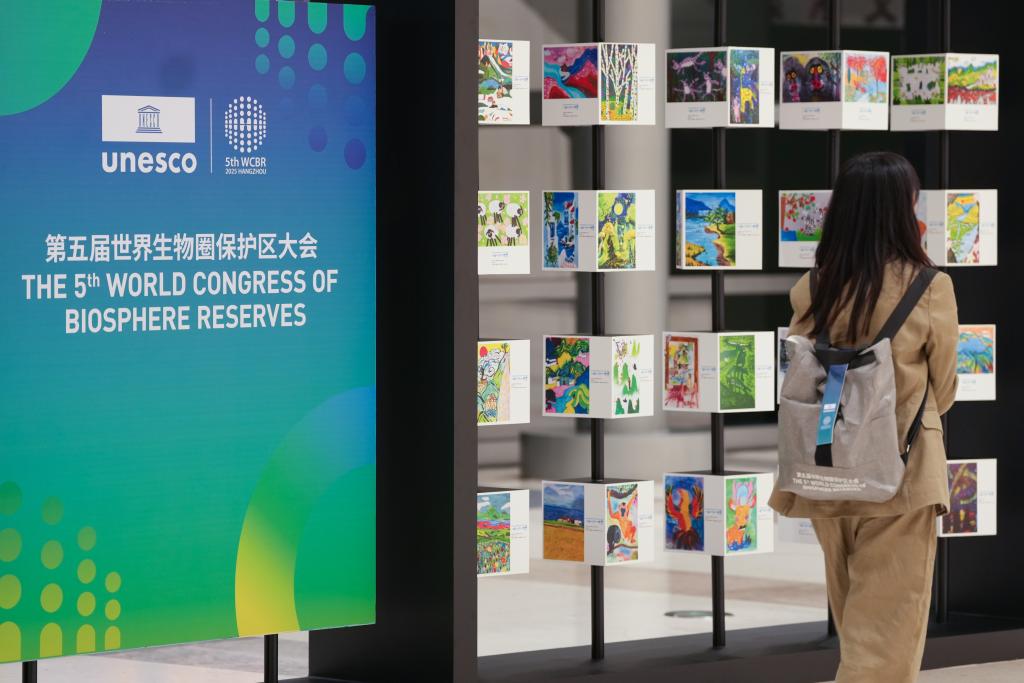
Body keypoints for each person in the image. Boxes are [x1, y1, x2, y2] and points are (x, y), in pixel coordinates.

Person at [769, 151, 959, 683]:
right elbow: (944, 388)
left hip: (828, 467)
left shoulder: (816, 284)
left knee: (854, 613)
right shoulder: (929, 286)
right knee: (887, 630)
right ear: (904, 208)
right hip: (901, 468)